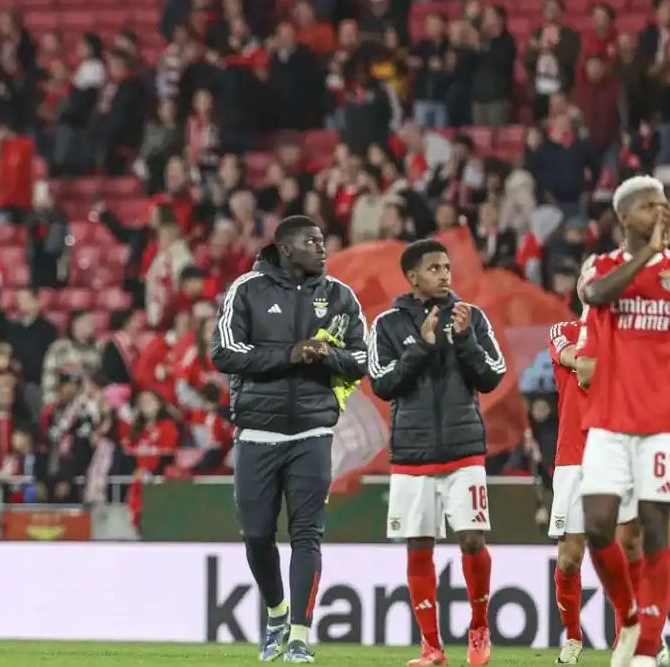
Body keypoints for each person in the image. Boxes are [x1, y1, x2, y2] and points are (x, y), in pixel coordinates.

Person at [210, 215, 368, 664]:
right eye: (312, 241)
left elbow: (363, 357)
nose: (322, 247)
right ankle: (277, 612)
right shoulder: (246, 290)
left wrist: (327, 355)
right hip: (257, 434)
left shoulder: (340, 296)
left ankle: (299, 635)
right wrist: (290, 354)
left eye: (323, 239)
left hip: (313, 432)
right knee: (258, 537)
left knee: (307, 536)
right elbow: (224, 351)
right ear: (284, 248)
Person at [575, 174, 670, 667]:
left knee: (656, 529)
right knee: (596, 527)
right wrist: (645, 255)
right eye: (650, 206)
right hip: (610, 419)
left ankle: (648, 648)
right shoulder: (604, 263)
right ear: (624, 217)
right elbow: (595, 296)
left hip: (664, 421)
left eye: (666, 205)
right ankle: (629, 615)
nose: (662, 211)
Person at [367, 238, 506, 667]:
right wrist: (421, 346)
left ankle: (479, 627)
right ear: (412, 277)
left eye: (447, 267)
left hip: (464, 450)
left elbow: (491, 377)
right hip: (412, 452)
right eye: (434, 268)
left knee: (471, 538)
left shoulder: (472, 317)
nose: (445, 274)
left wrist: (464, 341)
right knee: (419, 546)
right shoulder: (387, 324)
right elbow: (382, 383)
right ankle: (432, 647)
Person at [547, 304, 670, 665]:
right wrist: (638, 359)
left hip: (625, 446)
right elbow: (578, 363)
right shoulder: (564, 330)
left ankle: (633, 634)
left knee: (632, 544)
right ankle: (573, 638)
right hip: (574, 455)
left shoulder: (633, 327)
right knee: (570, 556)